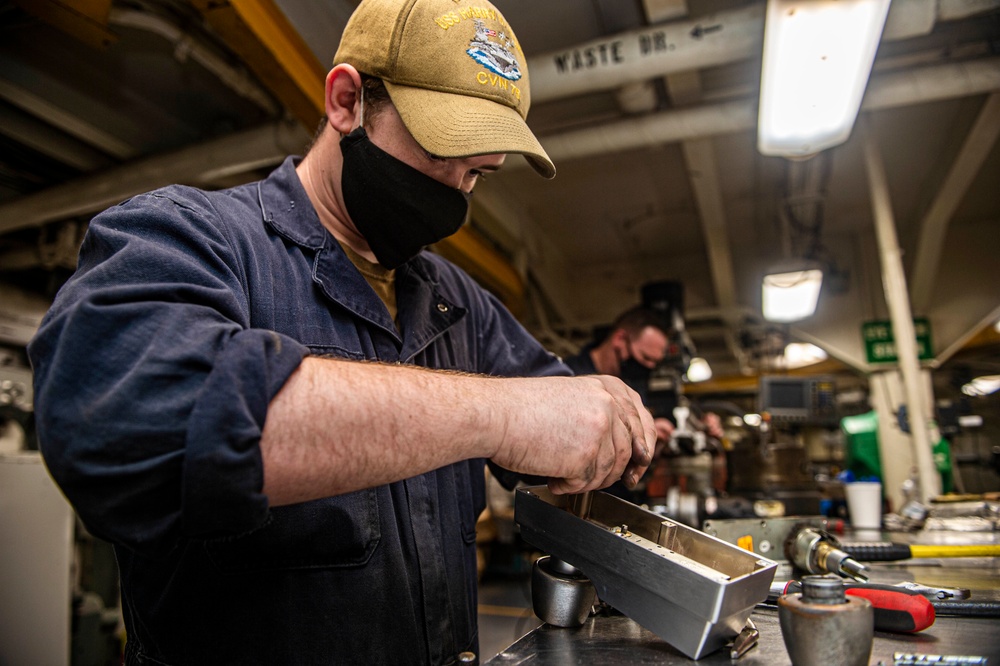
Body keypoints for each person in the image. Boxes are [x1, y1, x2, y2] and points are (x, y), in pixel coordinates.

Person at [26, 1, 656, 664]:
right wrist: (499, 414)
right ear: (347, 101)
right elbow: (123, 430)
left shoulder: (456, 301)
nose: (458, 189)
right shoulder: (191, 238)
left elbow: (564, 409)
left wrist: (608, 417)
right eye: (443, 149)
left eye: (479, 173)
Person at [563, 306, 676, 445]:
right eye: (645, 357)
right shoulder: (566, 377)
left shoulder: (633, 386)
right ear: (620, 339)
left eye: (655, 362)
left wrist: (651, 428)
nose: (649, 367)